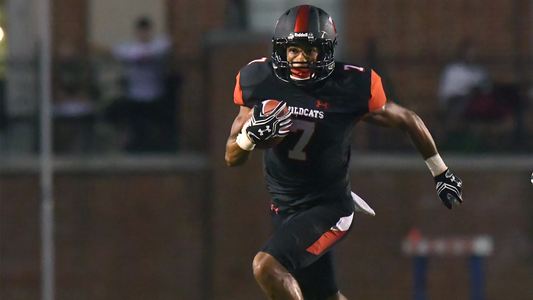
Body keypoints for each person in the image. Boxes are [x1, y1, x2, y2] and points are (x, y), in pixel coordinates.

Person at [225, 5, 463, 300]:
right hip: (284, 207)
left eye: (310, 50)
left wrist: (440, 171)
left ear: (325, 51)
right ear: (280, 50)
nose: (301, 59)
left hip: (329, 207)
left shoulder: (349, 85)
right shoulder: (258, 79)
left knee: (266, 266)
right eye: (294, 50)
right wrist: (249, 137)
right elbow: (231, 157)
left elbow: (407, 119)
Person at [106, 16, 177, 153]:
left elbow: (166, 45)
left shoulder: (157, 46)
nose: (143, 34)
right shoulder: (129, 48)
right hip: (135, 95)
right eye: (141, 31)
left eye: (146, 31)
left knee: (157, 126)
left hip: (155, 94)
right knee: (138, 127)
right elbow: (114, 52)